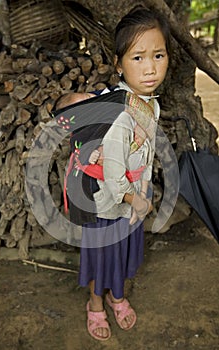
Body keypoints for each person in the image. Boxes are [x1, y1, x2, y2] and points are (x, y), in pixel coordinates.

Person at [66, 7, 170, 341]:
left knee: (123, 251)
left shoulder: (150, 103)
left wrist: (141, 193)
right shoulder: (117, 110)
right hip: (108, 201)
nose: (151, 68)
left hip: (132, 196)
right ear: (118, 64)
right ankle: (96, 302)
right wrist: (135, 199)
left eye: (158, 55)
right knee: (103, 255)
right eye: (138, 58)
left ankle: (117, 296)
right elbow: (111, 172)